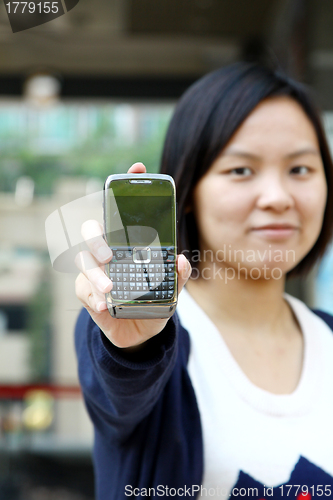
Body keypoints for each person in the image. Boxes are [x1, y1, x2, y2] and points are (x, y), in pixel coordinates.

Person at [74, 62, 333, 500]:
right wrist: (134, 346)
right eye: (240, 171)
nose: (277, 197)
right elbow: (123, 386)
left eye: (301, 170)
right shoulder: (142, 331)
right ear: (188, 191)